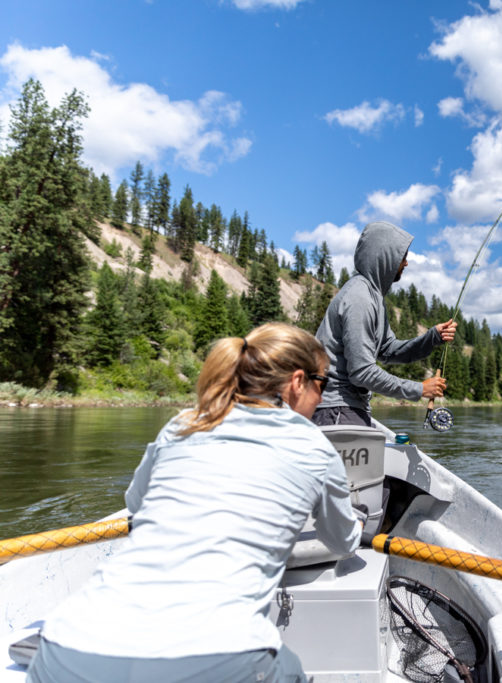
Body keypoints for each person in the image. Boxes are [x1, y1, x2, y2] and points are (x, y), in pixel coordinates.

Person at [28, 323, 362, 683]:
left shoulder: (183, 424)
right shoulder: (313, 445)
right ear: (297, 382)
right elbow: (342, 541)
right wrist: (355, 524)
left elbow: (137, 506)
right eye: (322, 383)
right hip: (214, 658)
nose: (321, 396)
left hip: (66, 648)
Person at [314, 221, 456, 427]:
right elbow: (361, 372)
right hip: (335, 408)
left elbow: (388, 350)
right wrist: (419, 389)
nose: (406, 263)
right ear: (385, 257)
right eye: (403, 257)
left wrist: (432, 337)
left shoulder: (373, 297)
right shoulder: (359, 298)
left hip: (345, 408)